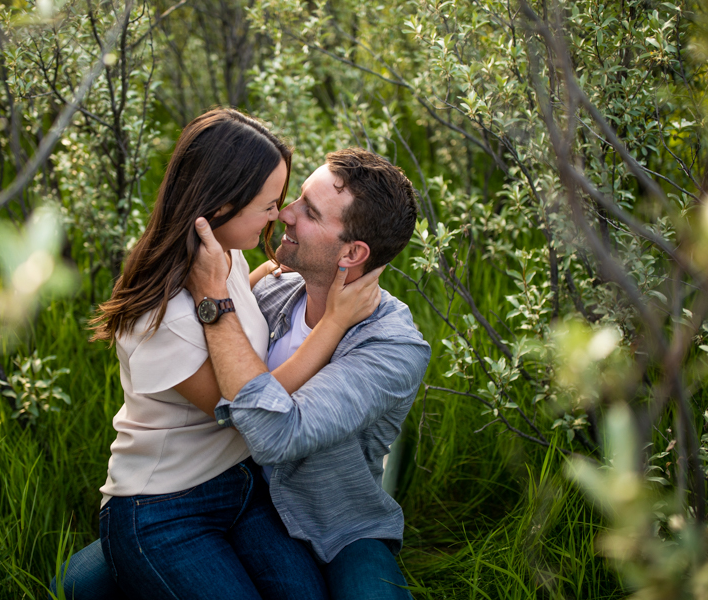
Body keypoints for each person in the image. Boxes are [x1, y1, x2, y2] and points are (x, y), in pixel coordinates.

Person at [53, 148, 430, 600]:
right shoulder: (275, 286)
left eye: (308, 211)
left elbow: (276, 433)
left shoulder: (391, 346)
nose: (286, 214)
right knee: (75, 587)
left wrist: (216, 299)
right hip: (238, 492)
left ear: (352, 252)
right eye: (297, 199)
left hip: (334, 522)